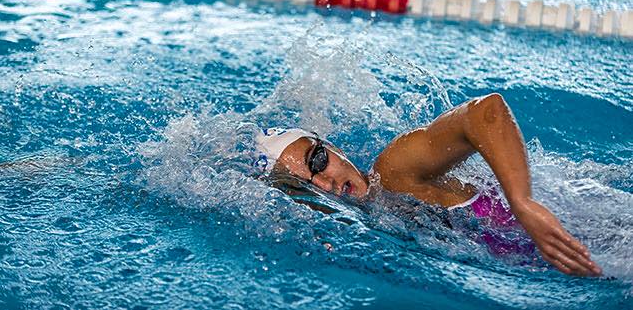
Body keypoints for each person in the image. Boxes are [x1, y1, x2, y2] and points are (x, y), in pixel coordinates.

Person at [254, 93, 603, 277]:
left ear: (333, 147)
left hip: (586, 229)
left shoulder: (391, 171)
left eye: (317, 161)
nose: (327, 183)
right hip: (564, 255)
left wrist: (522, 203)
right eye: (307, 185)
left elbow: (485, 111)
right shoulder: (375, 220)